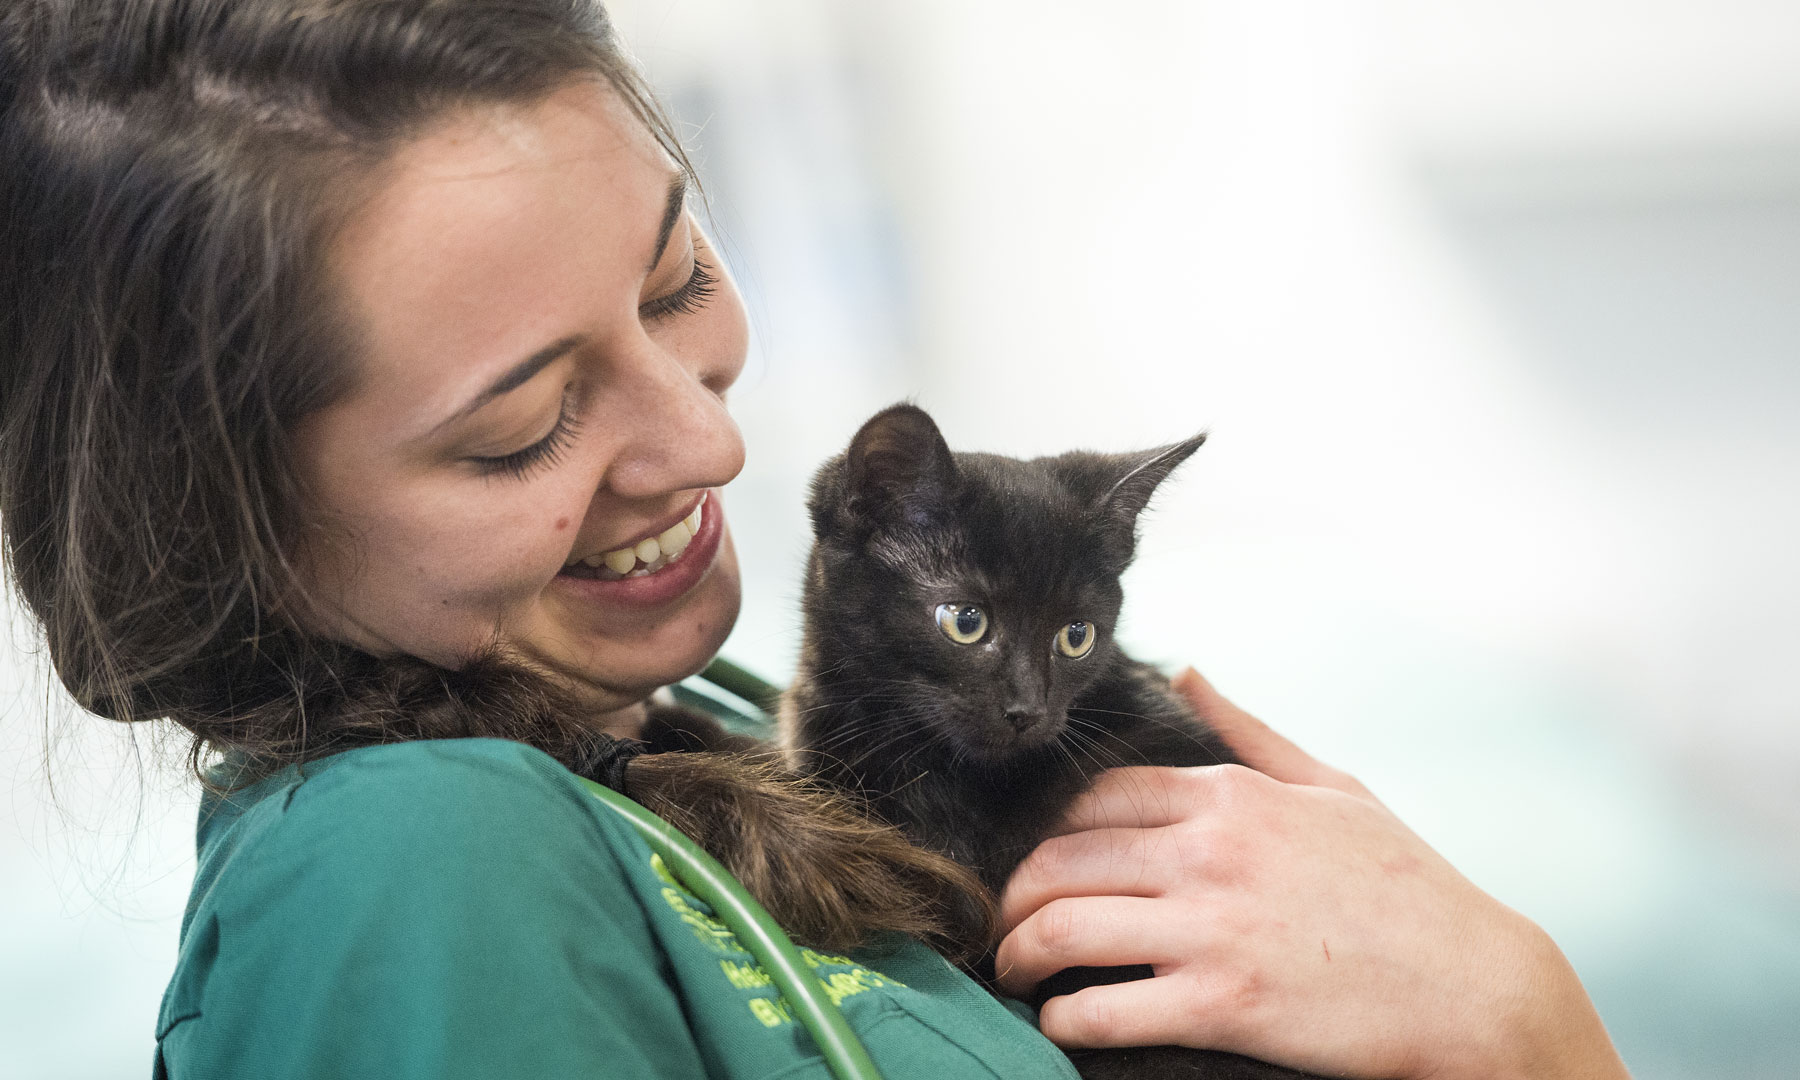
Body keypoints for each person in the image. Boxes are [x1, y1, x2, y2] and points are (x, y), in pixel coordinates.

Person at [0, 2, 1631, 1078]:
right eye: (526, 425)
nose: (710, 442)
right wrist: (1524, 1033)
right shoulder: (409, 862)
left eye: (678, 282)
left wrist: (1505, 1007)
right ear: (228, 530)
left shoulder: (688, 733)